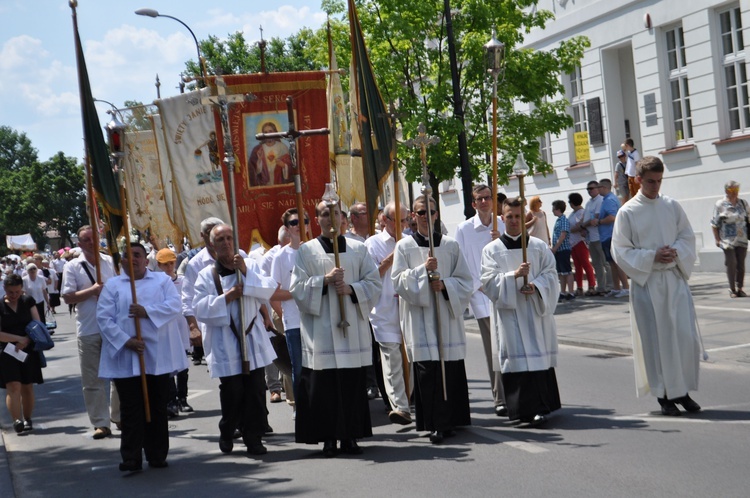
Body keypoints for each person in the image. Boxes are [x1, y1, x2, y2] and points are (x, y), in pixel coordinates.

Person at [290, 200, 381, 457]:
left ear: (343, 218)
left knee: (351, 386)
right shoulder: (306, 252)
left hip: (350, 329)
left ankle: (350, 436)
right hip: (321, 332)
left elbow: (374, 284)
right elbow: (297, 290)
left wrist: (351, 289)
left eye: (335, 214)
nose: (330, 219)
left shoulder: (358, 249)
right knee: (325, 388)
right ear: (317, 219)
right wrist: (324, 281)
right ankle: (328, 438)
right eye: (324, 214)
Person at [612, 156, 702, 416]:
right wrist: (652, 256)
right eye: (650, 181)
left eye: (659, 181)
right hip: (648, 283)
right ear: (638, 180)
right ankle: (664, 395)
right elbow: (620, 250)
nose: (655, 186)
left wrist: (675, 251)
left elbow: (687, 235)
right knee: (657, 340)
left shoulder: (671, 206)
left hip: (673, 280)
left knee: (683, 337)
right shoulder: (628, 211)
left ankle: (682, 391)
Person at [97, 243, 189, 471]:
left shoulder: (162, 281)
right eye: (127, 256)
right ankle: (131, 456)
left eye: (137, 255)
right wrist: (126, 341)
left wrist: (146, 311)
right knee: (131, 408)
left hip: (157, 355)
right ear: (121, 262)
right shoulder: (113, 285)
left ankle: (157, 454)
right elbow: (104, 318)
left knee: (156, 407)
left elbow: (174, 305)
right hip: (127, 356)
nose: (133, 259)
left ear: (145, 260)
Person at [193, 224, 281, 456]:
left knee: (254, 390)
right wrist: (228, 297)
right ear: (212, 245)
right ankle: (228, 428)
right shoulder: (206, 276)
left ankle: (254, 438)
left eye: (230, 237)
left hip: (251, 337)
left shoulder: (249, 265)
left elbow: (268, 289)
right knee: (233, 392)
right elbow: (200, 309)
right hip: (226, 340)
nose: (226, 242)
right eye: (220, 239)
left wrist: (248, 273)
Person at [392, 195, 473, 444]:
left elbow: (466, 281)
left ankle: (453, 419)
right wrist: (422, 272)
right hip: (420, 319)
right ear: (413, 217)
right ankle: (435, 423)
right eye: (420, 212)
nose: (426, 216)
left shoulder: (450, 245)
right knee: (428, 371)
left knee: (449, 367)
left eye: (430, 211)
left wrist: (445, 285)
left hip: (446, 318)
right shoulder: (404, 247)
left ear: (437, 214)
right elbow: (397, 281)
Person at [481, 197, 561, 427]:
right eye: (509, 216)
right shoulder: (492, 250)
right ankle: (520, 410)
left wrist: (536, 285)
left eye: (517, 216)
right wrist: (513, 276)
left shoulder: (537, 247)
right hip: (509, 314)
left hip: (534, 312)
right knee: (515, 359)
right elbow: (487, 282)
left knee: (536, 357)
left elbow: (551, 274)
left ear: (523, 216)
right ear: (502, 217)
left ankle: (541, 407)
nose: (514, 221)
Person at [62, 225, 120, 440]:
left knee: (118, 374)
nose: (91, 243)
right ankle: (100, 423)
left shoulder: (109, 262)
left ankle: (118, 415)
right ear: (79, 244)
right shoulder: (72, 266)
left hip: (113, 327)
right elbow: (68, 297)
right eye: (86, 240)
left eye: (93, 239)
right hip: (88, 328)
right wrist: (92, 291)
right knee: (92, 379)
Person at [454, 184, 507, 416]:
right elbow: (461, 263)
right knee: (493, 348)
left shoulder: (503, 224)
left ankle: (515, 392)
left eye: (488, 198)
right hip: (482, 296)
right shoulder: (464, 229)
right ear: (473, 203)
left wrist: (501, 239)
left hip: (505, 293)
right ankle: (500, 397)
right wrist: (479, 286)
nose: (484, 202)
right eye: (479, 199)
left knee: (510, 346)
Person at [365, 202, 413, 426]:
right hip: (384, 310)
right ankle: (399, 407)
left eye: (405, 220)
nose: (403, 225)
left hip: (409, 308)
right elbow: (369, 278)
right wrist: (391, 258)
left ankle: (410, 398)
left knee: (411, 359)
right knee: (392, 359)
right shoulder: (372, 244)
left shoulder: (412, 241)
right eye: (398, 220)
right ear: (385, 220)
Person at [270, 209, 307, 406]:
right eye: (294, 223)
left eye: (304, 221)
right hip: (294, 321)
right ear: (287, 228)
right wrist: (298, 292)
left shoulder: (314, 250)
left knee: (319, 368)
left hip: (316, 320)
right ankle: (301, 409)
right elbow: (273, 293)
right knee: (298, 368)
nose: (299, 226)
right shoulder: (281, 257)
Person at [0, 274, 44, 434]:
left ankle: (27, 418)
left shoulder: (27, 301)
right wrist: (17, 339)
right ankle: (16, 420)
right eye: (11, 292)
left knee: (27, 386)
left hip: (28, 349)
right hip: (6, 351)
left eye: (17, 292)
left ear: (21, 289)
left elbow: (37, 324)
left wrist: (26, 340)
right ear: (4, 289)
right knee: (13, 385)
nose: (14, 295)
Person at [155, 248, 193, 417]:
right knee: (169, 367)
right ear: (159, 265)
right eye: (165, 264)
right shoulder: (156, 283)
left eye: (171, 263)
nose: (169, 267)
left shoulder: (184, 280)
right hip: (166, 329)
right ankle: (171, 401)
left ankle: (183, 398)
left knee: (183, 366)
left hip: (182, 328)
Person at [711, 180, 749, 297]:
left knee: (741, 265)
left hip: (742, 238)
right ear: (726, 191)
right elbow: (714, 224)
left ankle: (740, 288)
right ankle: (732, 289)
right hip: (727, 240)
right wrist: (717, 239)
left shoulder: (743, 203)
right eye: (732, 190)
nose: (735, 192)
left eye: (736, 190)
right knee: (732, 262)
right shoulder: (720, 204)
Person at [596, 179, 630, 298]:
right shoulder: (607, 199)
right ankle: (616, 287)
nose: (597, 189)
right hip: (607, 235)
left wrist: (599, 221)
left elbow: (613, 217)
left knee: (616, 262)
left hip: (610, 234)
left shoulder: (609, 200)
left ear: (605, 187)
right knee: (612, 263)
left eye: (599, 187)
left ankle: (625, 287)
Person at [580, 181, 609, 295]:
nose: (589, 191)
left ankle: (609, 286)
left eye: (591, 188)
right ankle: (601, 287)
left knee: (605, 262)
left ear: (597, 188)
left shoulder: (600, 200)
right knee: (596, 264)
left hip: (599, 236)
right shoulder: (589, 203)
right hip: (591, 237)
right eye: (588, 189)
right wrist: (583, 227)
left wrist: (583, 226)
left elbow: (595, 218)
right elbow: (586, 218)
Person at [567, 192, 597, 296]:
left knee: (585, 264)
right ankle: (579, 287)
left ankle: (592, 285)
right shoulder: (572, 213)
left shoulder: (582, 212)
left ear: (572, 202)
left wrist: (569, 230)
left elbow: (579, 226)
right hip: (573, 243)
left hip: (580, 241)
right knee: (577, 266)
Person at [248, 122, 293, 187]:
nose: (268, 134)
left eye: (270, 131)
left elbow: (291, 166)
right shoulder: (258, 149)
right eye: (265, 132)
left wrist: (283, 165)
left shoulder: (282, 147)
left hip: (279, 183)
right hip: (265, 185)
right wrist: (259, 160)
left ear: (275, 132)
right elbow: (253, 171)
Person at [550, 200, 575, 301]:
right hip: (559, 250)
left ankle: (571, 292)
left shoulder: (563, 220)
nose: (552, 211)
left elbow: (563, 235)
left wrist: (555, 247)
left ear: (558, 209)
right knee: (561, 272)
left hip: (563, 249)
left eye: (553, 209)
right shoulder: (559, 220)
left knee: (567, 271)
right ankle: (563, 292)